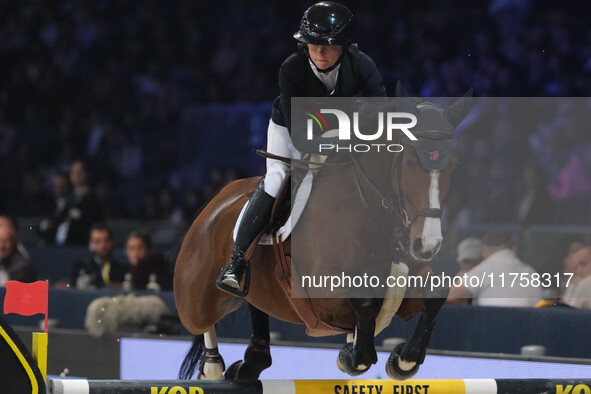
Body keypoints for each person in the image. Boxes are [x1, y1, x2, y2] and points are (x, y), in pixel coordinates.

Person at [216, 1, 387, 296]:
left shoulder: (362, 64)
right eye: (312, 44)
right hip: (291, 129)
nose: (319, 51)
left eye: (327, 45)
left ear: (344, 46)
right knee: (276, 179)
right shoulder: (291, 69)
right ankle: (236, 262)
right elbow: (302, 133)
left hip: (340, 131)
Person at [447, 231, 541, 307]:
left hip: (495, 328)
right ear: (514, 249)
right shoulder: (531, 272)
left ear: (483, 254)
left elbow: (451, 297)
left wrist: (459, 282)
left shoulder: (485, 269)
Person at [56, 161, 104, 245]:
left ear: (87, 174)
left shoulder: (92, 199)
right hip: (64, 244)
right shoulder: (68, 198)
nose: (77, 175)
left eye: (80, 172)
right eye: (74, 172)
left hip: (82, 244)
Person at [70, 223, 126, 289]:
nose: (103, 246)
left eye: (106, 240)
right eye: (97, 241)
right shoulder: (80, 267)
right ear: (90, 244)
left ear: (113, 242)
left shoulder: (123, 270)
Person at [447, 237, 483, 304]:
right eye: (466, 261)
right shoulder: (459, 279)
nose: (470, 266)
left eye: (474, 262)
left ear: (482, 261)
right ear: (459, 262)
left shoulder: (487, 277)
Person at [563, 245, 591, 309]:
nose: (579, 271)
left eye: (584, 263)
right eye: (576, 267)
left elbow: (565, 312)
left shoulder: (585, 284)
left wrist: (572, 286)